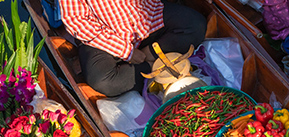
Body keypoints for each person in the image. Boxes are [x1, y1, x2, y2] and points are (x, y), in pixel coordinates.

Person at [58, 0, 207, 97]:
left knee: (195, 25)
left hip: (148, 18)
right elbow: (77, 21)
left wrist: (146, 52)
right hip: (107, 36)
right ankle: (153, 65)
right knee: (103, 81)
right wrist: (127, 51)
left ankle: (151, 55)